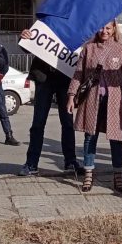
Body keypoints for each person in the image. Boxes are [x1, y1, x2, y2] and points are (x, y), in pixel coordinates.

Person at [67, 21, 122, 193]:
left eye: (108, 28)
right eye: (101, 27)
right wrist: (71, 96)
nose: (104, 31)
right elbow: (78, 74)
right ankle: (88, 172)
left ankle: (118, 174)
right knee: (90, 135)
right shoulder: (89, 49)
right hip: (92, 98)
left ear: (114, 29)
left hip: (114, 100)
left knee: (116, 137)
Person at [18, 33, 83, 177]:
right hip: (44, 77)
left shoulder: (72, 27)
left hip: (65, 78)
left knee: (67, 122)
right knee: (38, 123)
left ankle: (70, 161)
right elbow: (27, 45)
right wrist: (24, 37)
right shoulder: (46, 22)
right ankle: (31, 163)